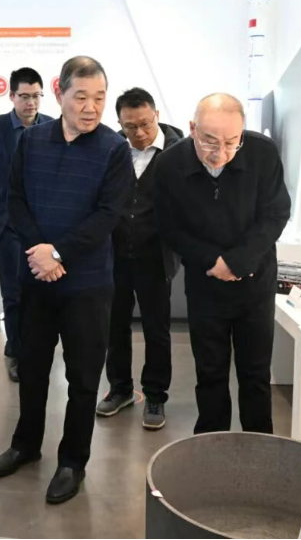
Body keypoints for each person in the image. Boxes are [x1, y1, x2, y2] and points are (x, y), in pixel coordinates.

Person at [0, 56, 131, 504]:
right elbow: (14, 199)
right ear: (59, 93)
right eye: (81, 97)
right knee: (31, 368)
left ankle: (72, 461)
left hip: (87, 285)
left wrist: (59, 253)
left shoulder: (113, 148)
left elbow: (109, 214)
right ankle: (25, 445)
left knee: (83, 378)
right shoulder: (31, 141)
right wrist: (40, 252)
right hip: (36, 279)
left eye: (99, 98)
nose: (91, 107)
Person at [154, 93, 291, 435]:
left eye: (232, 142)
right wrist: (212, 260)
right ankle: (211, 447)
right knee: (210, 373)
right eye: (210, 142)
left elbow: (275, 214)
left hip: (255, 283)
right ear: (192, 128)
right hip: (205, 284)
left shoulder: (262, 153)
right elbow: (169, 226)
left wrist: (237, 261)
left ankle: (259, 447)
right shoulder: (170, 164)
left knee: (255, 374)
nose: (221, 153)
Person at [95, 88, 182, 430]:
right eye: (130, 126)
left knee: (156, 329)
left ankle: (156, 395)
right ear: (120, 123)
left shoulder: (178, 152)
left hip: (155, 256)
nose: (139, 132)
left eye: (145, 123)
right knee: (114, 326)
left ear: (156, 115)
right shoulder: (113, 149)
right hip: (115, 254)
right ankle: (120, 389)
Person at [0, 67, 54, 383]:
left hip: (42, 228)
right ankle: (19, 353)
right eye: (24, 96)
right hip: (7, 227)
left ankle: (33, 345)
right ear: (11, 96)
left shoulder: (52, 126)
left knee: (39, 293)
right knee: (13, 293)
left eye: (36, 96)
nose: (30, 102)